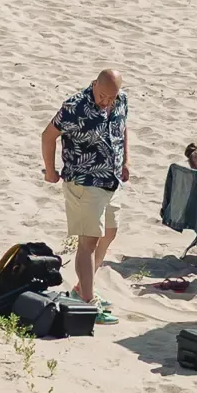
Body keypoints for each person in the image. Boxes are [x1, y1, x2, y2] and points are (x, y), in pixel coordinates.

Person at [40, 67, 130, 315]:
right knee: (88, 241)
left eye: (111, 97)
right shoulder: (75, 107)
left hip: (110, 181)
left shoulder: (120, 100)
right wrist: (51, 171)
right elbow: (48, 136)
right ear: (95, 85)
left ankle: (83, 288)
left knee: (110, 232)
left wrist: (125, 162)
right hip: (83, 180)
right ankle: (87, 303)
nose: (107, 102)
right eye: (103, 96)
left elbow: (122, 129)